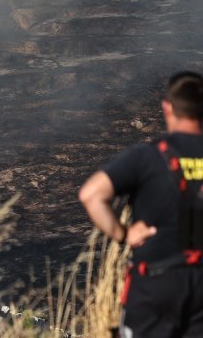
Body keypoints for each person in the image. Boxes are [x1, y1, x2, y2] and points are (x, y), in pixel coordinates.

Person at [79, 71, 203, 337]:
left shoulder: (148, 156)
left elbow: (91, 195)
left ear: (167, 107)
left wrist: (122, 234)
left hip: (154, 285)